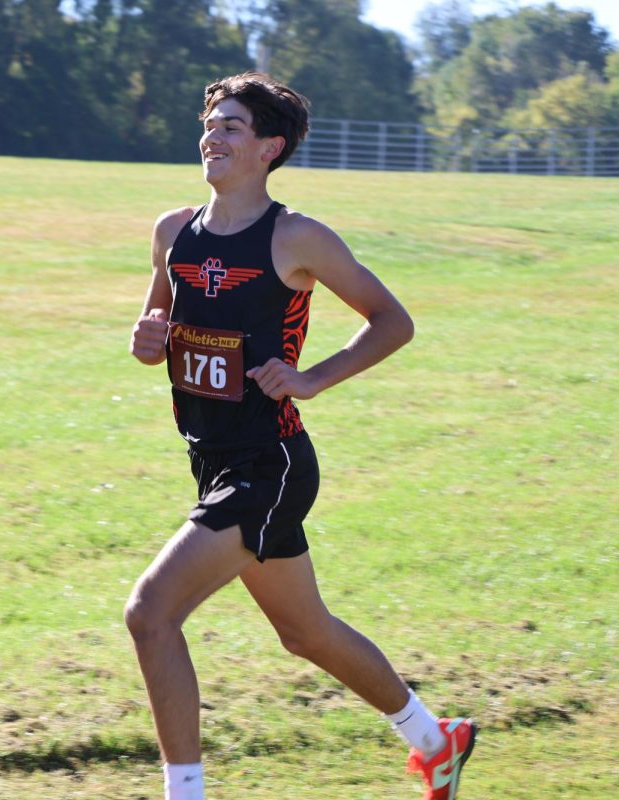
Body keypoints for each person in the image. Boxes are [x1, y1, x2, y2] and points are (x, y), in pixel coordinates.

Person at [125, 71, 477, 800]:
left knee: (151, 614)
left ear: (268, 147)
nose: (211, 137)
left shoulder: (297, 237)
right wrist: (147, 340)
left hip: (271, 461)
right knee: (305, 633)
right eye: (210, 124)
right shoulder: (172, 232)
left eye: (229, 127)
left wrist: (312, 377)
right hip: (211, 457)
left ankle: (184, 794)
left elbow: (392, 321)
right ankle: (435, 741)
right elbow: (157, 333)